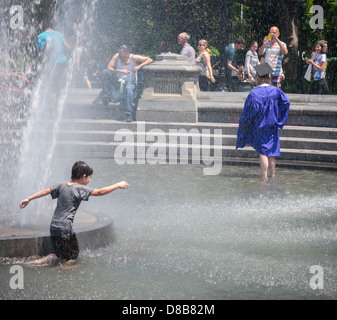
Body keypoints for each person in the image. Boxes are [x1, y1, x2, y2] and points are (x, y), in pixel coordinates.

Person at [19, 161, 129, 266]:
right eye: (90, 178)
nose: (89, 181)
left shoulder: (62, 185)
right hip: (65, 228)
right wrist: (117, 185)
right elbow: (100, 192)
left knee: (59, 255)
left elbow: (45, 191)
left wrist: (29, 198)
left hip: (53, 226)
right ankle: (60, 272)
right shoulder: (79, 188)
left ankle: (37, 262)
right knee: (72, 257)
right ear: (84, 176)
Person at [236, 62, 290, 180]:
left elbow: (248, 113)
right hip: (273, 125)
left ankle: (264, 177)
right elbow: (286, 103)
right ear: (269, 77)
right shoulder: (276, 91)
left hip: (259, 125)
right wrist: (280, 120)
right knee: (272, 151)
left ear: (257, 78)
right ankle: (273, 176)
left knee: (263, 152)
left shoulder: (254, 93)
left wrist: (245, 124)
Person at [92, 45, 153, 122]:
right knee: (105, 72)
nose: (119, 55)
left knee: (129, 88)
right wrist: (120, 71)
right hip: (118, 81)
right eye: (119, 53)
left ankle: (129, 114)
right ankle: (107, 95)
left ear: (127, 52)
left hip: (130, 82)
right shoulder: (117, 56)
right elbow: (109, 68)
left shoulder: (133, 58)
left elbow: (149, 59)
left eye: (121, 53)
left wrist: (138, 66)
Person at [37, 19, 71, 114]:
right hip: (63, 62)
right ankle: (62, 107)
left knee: (52, 87)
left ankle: (53, 111)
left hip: (51, 64)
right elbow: (68, 47)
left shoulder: (41, 36)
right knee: (60, 85)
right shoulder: (59, 34)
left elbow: (40, 51)